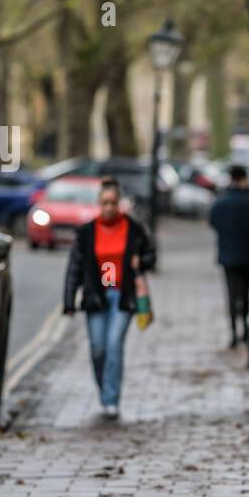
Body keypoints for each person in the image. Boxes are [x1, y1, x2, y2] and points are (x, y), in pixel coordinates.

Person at [63, 177, 155, 419]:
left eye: (113, 203)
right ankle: (105, 390)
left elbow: (151, 254)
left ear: (119, 203)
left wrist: (142, 261)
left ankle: (111, 399)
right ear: (98, 203)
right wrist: (69, 301)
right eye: (104, 203)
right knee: (97, 348)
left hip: (122, 296)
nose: (109, 208)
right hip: (97, 296)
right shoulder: (86, 233)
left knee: (114, 344)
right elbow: (74, 267)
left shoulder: (133, 228)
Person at [208, 165, 249, 348]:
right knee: (245, 294)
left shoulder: (221, 202)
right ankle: (244, 330)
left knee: (231, 293)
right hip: (248, 256)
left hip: (228, 256)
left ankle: (234, 333)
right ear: (244, 179)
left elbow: (213, 222)